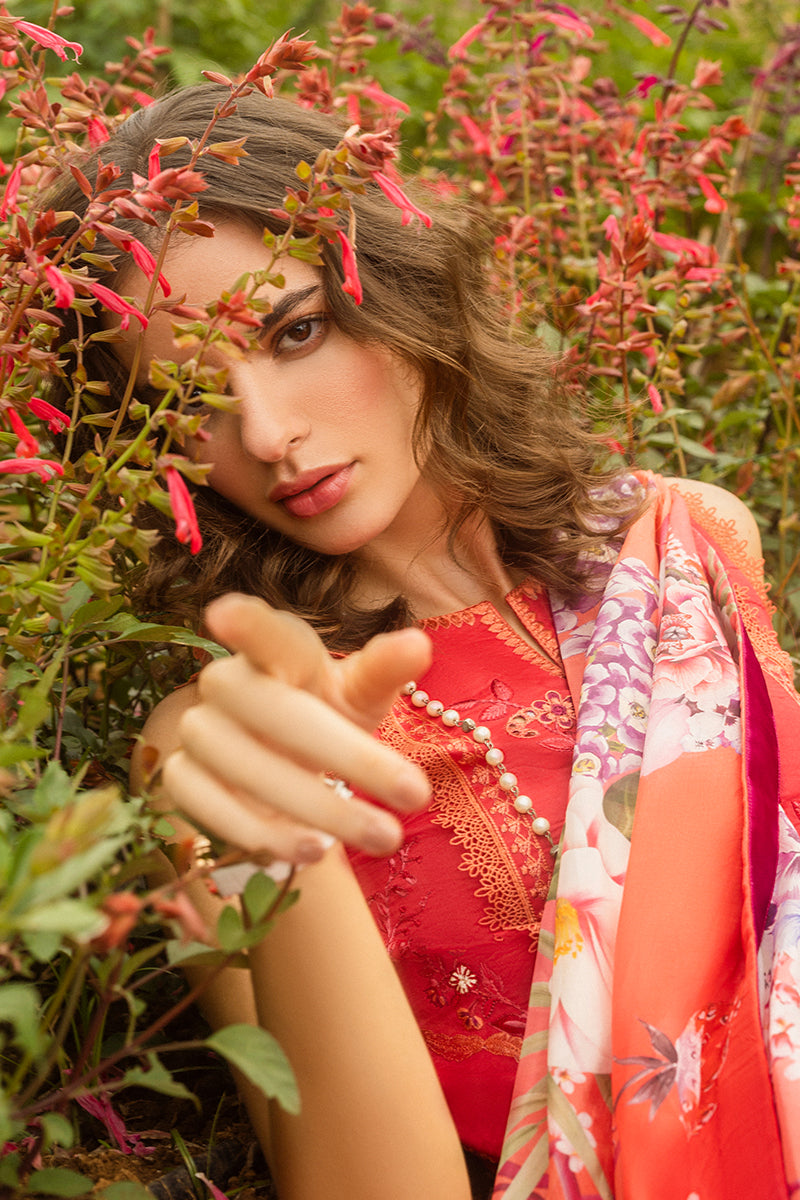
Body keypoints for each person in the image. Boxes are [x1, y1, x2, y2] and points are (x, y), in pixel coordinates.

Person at [50, 83, 800, 1200]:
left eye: (295, 332)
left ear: (397, 285)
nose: (268, 434)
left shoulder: (689, 539)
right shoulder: (224, 742)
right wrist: (283, 846)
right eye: (185, 402)